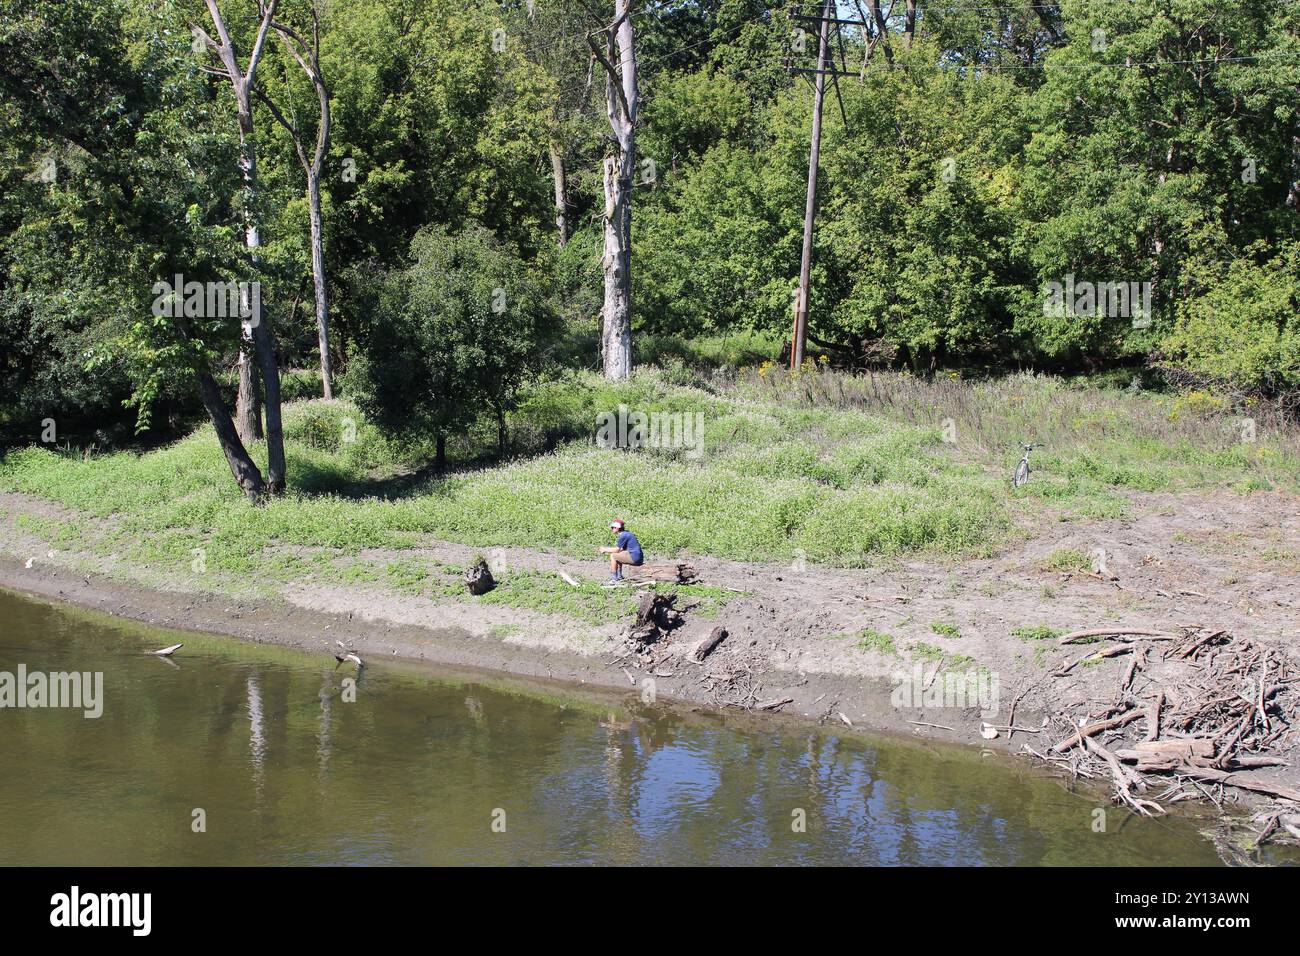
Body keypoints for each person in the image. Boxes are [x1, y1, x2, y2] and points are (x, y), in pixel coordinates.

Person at [599, 519, 643, 586]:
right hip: (636, 556)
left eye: (613, 527)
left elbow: (617, 549)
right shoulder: (626, 534)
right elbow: (621, 549)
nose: (612, 529)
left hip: (634, 557)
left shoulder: (623, 535)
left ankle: (614, 578)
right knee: (618, 555)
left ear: (617, 528)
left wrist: (605, 549)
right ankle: (619, 576)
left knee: (613, 556)